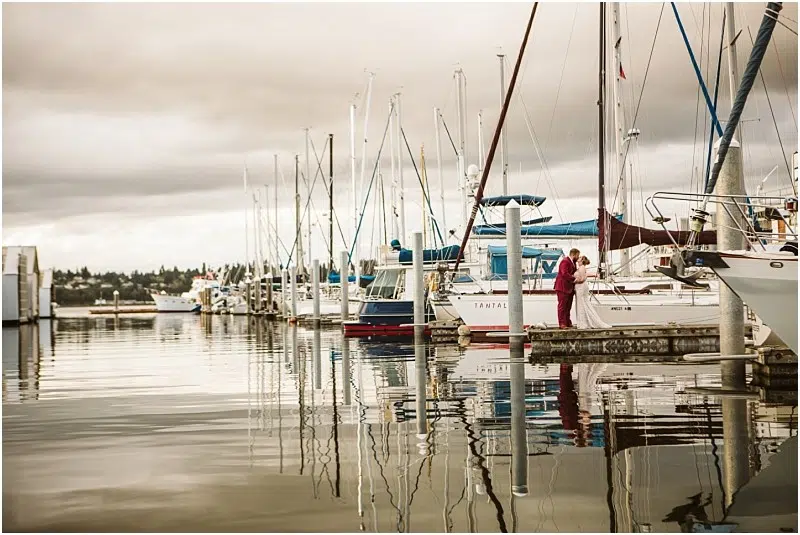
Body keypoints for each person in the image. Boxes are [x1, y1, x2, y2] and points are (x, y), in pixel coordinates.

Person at [573, 256, 611, 329]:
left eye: (580, 258)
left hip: (581, 287)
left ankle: (583, 323)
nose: (578, 258)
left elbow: (582, 279)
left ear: (582, 260)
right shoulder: (581, 267)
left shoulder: (581, 268)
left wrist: (574, 281)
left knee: (581, 304)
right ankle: (584, 322)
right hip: (581, 287)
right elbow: (585, 275)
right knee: (583, 303)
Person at [554, 248, 580, 329]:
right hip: (562, 287)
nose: (578, 257)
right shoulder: (565, 261)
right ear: (573, 254)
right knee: (562, 306)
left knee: (568, 306)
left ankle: (567, 321)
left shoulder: (573, 263)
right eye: (577, 255)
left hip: (569, 288)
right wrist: (574, 279)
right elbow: (564, 273)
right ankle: (562, 323)